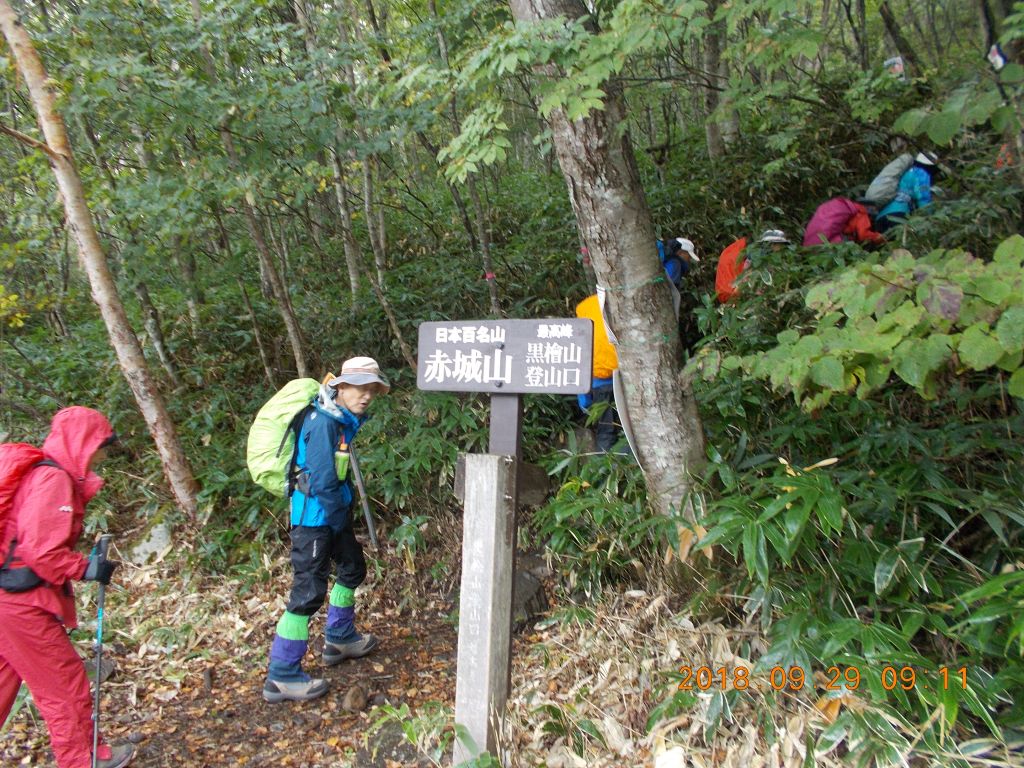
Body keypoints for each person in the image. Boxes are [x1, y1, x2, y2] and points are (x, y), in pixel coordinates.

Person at [0, 406, 134, 768]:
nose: (102, 455)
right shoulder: (52, 478)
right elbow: (40, 550)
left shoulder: (41, 474)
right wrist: (87, 567)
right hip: (19, 603)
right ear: (82, 443)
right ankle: (84, 759)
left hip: (8, 600)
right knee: (63, 682)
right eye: (100, 446)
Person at [263, 356, 390, 703]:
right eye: (360, 388)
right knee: (307, 593)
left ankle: (339, 637)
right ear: (342, 387)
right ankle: (282, 674)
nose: (366, 396)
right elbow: (321, 479)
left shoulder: (341, 419)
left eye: (372, 390)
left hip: (332, 514)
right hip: (313, 519)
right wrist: (340, 523)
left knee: (352, 569)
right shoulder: (323, 422)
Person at [575, 294, 623, 453]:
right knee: (631, 428)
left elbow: (580, 364)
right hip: (624, 376)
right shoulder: (619, 301)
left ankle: (605, 472)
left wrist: (585, 404)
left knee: (606, 431)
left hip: (597, 382)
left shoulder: (583, 312)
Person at [715, 229, 790, 303]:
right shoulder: (755, 256)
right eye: (779, 245)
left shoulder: (761, 254)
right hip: (733, 294)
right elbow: (747, 277)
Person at [874, 152, 939, 232]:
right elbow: (923, 197)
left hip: (881, 217)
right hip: (898, 216)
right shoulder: (922, 173)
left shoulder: (907, 172)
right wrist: (930, 217)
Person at [802, 197, 885, 247]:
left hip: (815, 245)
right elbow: (863, 234)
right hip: (837, 245)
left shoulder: (845, 209)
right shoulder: (861, 212)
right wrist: (878, 237)